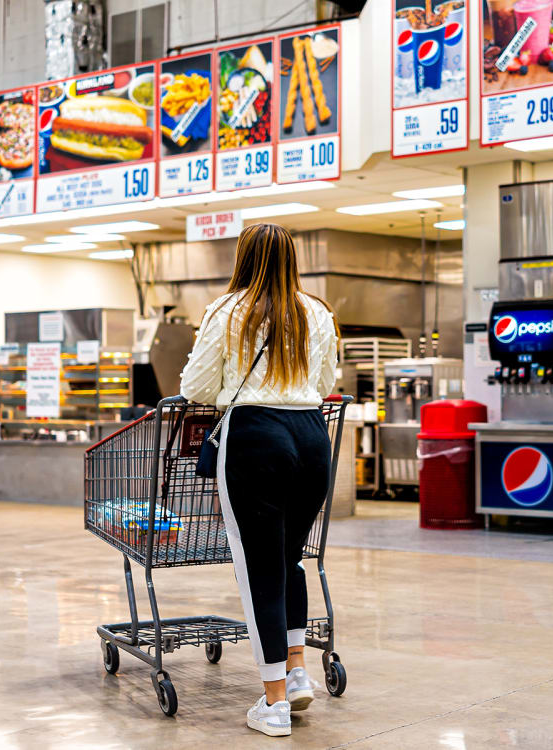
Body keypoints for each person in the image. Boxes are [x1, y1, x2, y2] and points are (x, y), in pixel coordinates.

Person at [179, 223, 339, 738]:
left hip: (255, 436)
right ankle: (294, 674)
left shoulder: (226, 311)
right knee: (290, 559)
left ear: (243, 257)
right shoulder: (317, 310)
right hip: (313, 437)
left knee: (259, 571)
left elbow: (196, 386)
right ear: (293, 258)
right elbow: (326, 382)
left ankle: (271, 705)